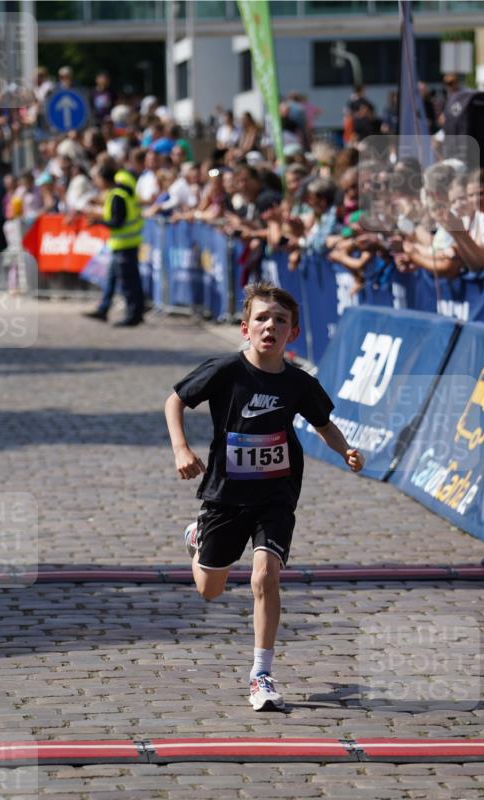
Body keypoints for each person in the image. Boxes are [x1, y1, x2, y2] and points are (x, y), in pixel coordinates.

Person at [164, 281, 364, 711]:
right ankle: (199, 537)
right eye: (261, 318)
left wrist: (344, 448)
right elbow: (175, 401)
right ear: (244, 328)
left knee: (264, 576)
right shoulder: (225, 371)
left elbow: (323, 423)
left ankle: (262, 674)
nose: (270, 326)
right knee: (209, 590)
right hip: (225, 495)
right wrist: (181, 448)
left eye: (280, 321)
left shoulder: (298, 383)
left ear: (292, 333)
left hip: (276, 494)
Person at [84, 163, 144, 326]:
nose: (96, 182)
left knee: (129, 282)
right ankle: (104, 309)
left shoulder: (118, 195)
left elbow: (117, 222)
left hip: (125, 244)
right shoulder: (117, 193)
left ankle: (133, 315)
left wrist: (98, 221)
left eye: (97, 178)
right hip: (121, 244)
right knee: (113, 278)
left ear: (105, 179)